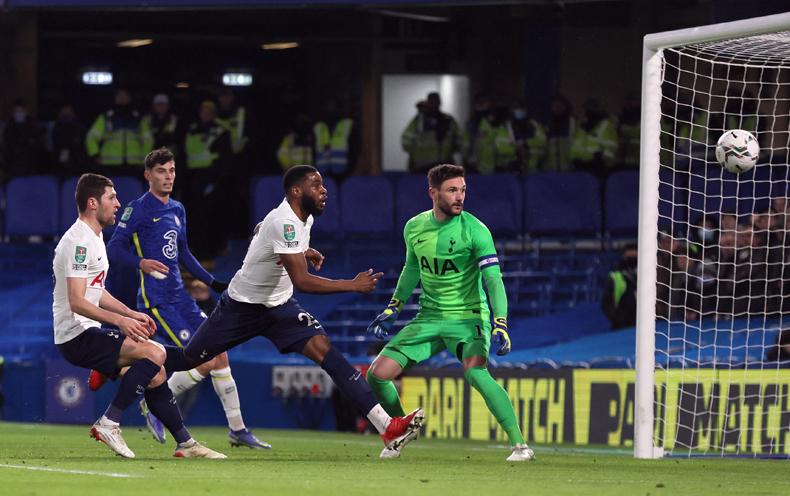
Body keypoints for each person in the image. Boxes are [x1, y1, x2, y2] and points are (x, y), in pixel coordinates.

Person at [167, 165, 424, 455]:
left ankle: (387, 427)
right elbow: (302, 280)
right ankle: (138, 363)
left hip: (280, 307)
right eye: (316, 185)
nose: (324, 190)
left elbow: (268, 240)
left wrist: (301, 252)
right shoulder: (284, 221)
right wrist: (351, 285)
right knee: (189, 358)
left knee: (329, 354)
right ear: (296, 191)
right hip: (241, 308)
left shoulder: (304, 219)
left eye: (323, 184)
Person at [365, 164, 534, 462]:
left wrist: (500, 322)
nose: (460, 197)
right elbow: (411, 270)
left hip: (469, 317)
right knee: (377, 375)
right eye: (452, 190)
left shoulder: (475, 230)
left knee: (475, 373)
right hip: (428, 318)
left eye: (463, 190)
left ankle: (521, 446)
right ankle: (401, 429)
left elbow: (493, 279)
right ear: (433, 193)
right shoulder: (414, 227)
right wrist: (394, 307)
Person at [101, 147, 268, 449]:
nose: (168, 177)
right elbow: (114, 248)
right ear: (148, 175)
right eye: (162, 171)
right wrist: (142, 263)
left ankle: (237, 430)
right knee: (203, 356)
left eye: (172, 171)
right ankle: (158, 407)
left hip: (182, 298)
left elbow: (185, 254)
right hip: (157, 301)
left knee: (220, 352)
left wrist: (215, 283)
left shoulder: (177, 209)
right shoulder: (136, 210)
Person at [52, 173, 224, 459]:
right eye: (112, 197)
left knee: (157, 373)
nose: (118, 204)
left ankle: (185, 443)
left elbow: (97, 292)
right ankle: (110, 422)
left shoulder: (93, 237)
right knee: (154, 355)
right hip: (76, 335)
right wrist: (121, 321)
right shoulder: (79, 242)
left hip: (88, 331)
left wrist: (131, 313)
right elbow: (77, 301)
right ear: (93, 203)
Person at [85, 88, 152, 175]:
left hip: (134, 165)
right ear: (115, 98)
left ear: (129, 98)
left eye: (125, 96)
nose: (122, 98)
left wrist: (144, 157)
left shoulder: (139, 118)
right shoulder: (106, 117)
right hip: (108, 165)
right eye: (119, 96)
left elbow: (149, 139)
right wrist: (95, 155)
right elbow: (91, 137)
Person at [401, 92, 464, 173]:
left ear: (440, 103)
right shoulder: (419, 121)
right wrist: (417, 155)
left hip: (444, 167)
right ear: (428, 103)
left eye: (436, 101)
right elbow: (406, 141)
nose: (434, 104)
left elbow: (460, 141)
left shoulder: (448, 120)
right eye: (432, 102)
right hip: (421, 167)